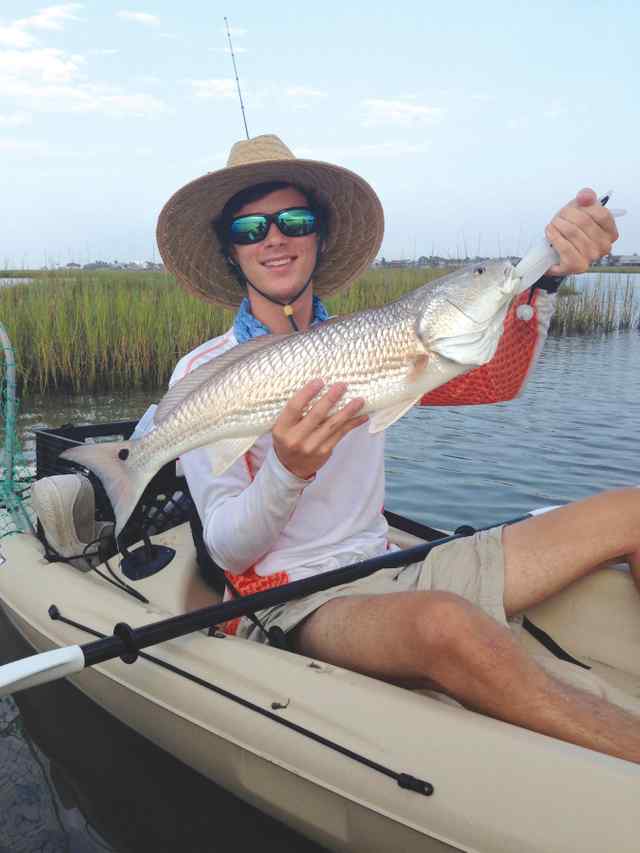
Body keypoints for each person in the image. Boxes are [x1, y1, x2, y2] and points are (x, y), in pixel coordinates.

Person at [157, 134, 640, 763]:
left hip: (388, 560)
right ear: (231, 250)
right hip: (296, 597)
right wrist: (288, 472)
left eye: (294, 220)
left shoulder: (374, 342)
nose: (274, 238)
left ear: (320, 237)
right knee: (446, 624)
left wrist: (542, 277)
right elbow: (224, 546)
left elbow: (493, 379)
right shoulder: (204, 373)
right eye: (251, 228)